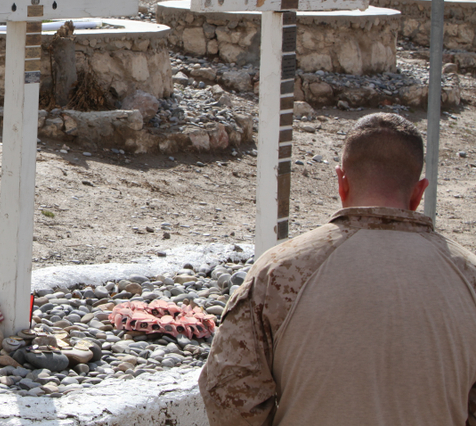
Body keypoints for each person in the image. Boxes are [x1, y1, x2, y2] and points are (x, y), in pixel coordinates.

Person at [199, 112, 476, 426]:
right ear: (419, 192)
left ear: (342, 181)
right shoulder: (468, 277)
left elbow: (230, 396)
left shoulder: (278, 272)